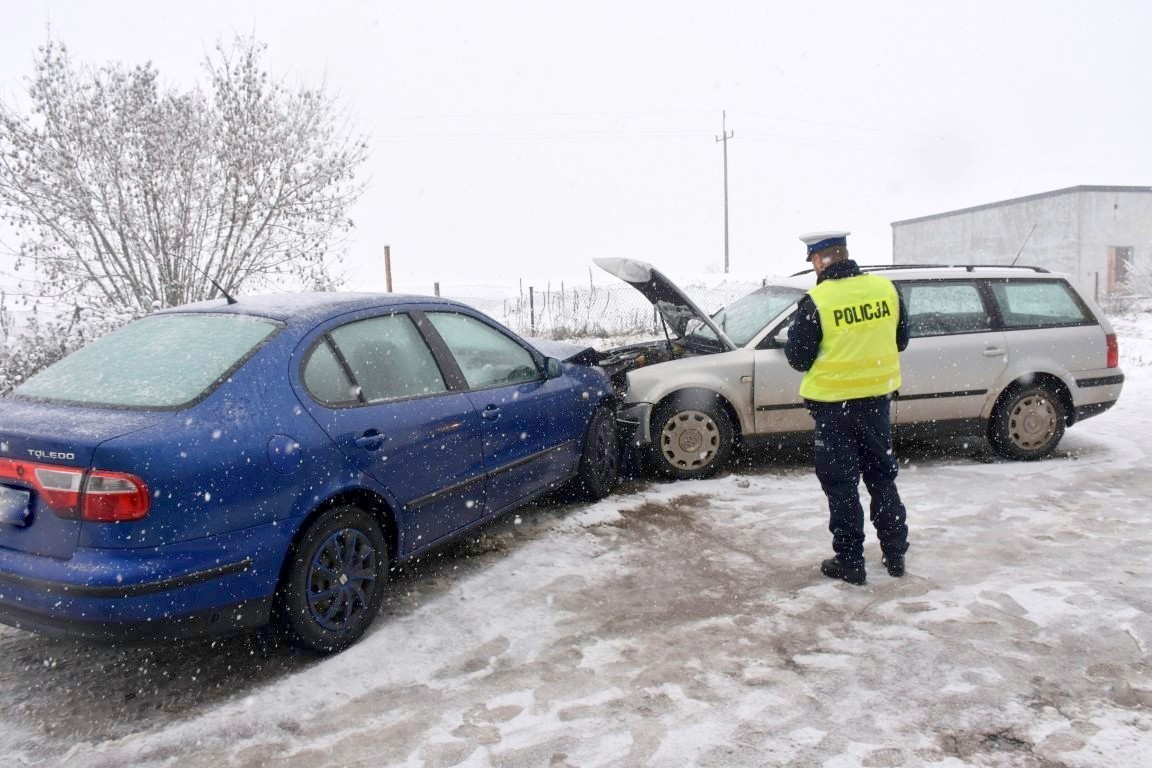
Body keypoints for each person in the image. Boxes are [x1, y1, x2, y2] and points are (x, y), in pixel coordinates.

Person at [785, 231, 910, 585]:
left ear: (821, 260)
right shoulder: (886, 290)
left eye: (812, 262)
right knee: (882, 479)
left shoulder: (818, 301)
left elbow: (797, 358)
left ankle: (851, 560)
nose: (813, 269)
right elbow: (901, 339)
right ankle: (896, 552)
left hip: (833, 411)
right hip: (877, 405)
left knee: (842, 486)